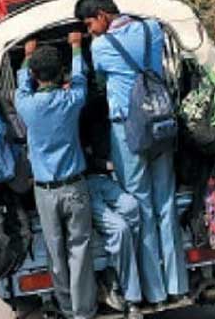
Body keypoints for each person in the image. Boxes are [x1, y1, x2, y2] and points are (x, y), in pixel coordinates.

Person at [75, 0, 187, 305]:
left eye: (89, 24)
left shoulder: (100, 47)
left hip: (128, 131)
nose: (89, 31)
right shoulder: (152, 28)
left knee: (141, 206)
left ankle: (155, 291)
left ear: (102, 15)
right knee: (165, 203)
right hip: (161, 125)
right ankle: (177, 283)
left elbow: (97, 84)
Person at [15, 35, 97, 319]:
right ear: (60, 72)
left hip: (45, 192)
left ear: (35, 75)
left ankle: (66, 307)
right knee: (80, 251)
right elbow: (80, 78)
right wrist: (76, 46)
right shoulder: (71, 100)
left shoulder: (26, 105)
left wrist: (27, 55)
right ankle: (83, 311)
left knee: (56, 254)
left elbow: (21, 84)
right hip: (75, 187)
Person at [80, 96, 143, 319]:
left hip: (104, 179)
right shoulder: (66, 110)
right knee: (120, 229)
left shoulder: (98, 112)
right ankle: (131, 297)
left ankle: (118, 272)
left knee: (133, 206)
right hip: (81, 185)